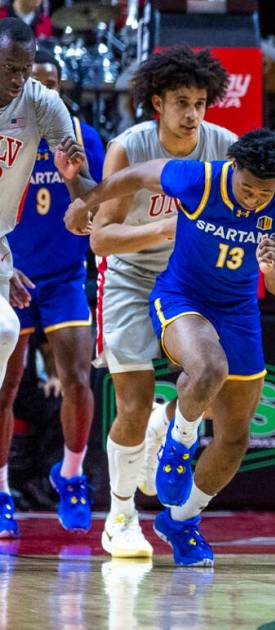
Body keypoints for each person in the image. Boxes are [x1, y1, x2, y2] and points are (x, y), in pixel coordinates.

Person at [65, 129, 275, 567]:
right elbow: (138, 175)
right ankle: (177, 447)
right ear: (232, 168)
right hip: (182, 297)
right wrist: (86, 198)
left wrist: (272, 270)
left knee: (236, 435)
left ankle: (181, 521)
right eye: (248, 189)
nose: (254, 200)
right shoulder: (199, 179)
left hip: (238, 311)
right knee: (208, 368)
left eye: (263, 195)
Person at [86, 46, 237, 558]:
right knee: (130, 400)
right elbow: (101, 239)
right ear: (158, 103)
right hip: (128, 277)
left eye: (200, 103)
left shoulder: (224, 147)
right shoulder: (129, 148)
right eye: (181, 102)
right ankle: (122, 516)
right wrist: (170, 227)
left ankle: (164, 424)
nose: (192, 114)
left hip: (190, 281)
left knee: (209, 380)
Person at [0, 47, 103, 536]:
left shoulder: (82, 137)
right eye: (26, 78)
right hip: (10, 271)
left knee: (79, 377)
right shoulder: (7, 131)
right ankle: (1, 490)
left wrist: (77, 183)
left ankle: (72, 474)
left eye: (46, 81)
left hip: (62, 276)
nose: (34, 89)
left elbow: (96, 202)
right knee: (7, 386)